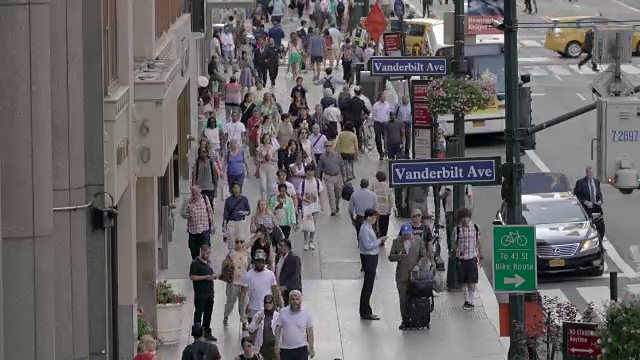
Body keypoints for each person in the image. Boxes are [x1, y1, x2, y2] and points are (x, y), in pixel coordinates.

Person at [388, 223, 428, 330]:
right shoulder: (396, 242)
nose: (407, 236)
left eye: (408, 234)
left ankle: (415, 318)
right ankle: (405, 319)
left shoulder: (418, 241)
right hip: (402, 275)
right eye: (404, 234)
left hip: (415, 275)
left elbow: (424, 255)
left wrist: (418, 266)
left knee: (415, 297)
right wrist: (399, 256)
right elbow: (391, 257)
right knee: (403, 298)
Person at [451, 207, 483, 310]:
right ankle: (466, 300)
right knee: (463, 281)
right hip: (461, 258)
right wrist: (457, 250)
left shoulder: (476, 228)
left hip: (472, 257)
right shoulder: (457, 229)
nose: (465, 220)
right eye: (463, 218)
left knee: (472, 281)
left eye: (467, 217)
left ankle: (471, 300)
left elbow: (478, 242)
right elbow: (454, 242)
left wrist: (480, 255)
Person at [358, 208, 386, 320]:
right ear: (368, 217)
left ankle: (366, 309)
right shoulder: (365, 229)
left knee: (369, 284)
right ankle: (365, 311)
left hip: (372, 257)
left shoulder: (369, 228)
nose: (375, 219)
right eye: (374, 217)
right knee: (368, 285)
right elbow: (368, 245)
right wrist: (379, 241)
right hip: (368, 258)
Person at [241, 250, 283, 321]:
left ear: (264, 262)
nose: (259, 264)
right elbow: (243, 293)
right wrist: (242, 309)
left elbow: (275, 290)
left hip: (267, 307)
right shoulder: (248, 275)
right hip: (253, 308)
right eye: (257, 262)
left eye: (261, 262)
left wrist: (280, 303)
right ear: (254, 262)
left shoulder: (270, 274)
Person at [275, 290, 315, 360]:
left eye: (297, 299)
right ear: (289, 300)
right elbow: (278, 329)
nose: (294, 301)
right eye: (292, 299)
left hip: (301, 348)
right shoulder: (283, 312)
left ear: (300, 300)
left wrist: (311, 348)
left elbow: (310, 330)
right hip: (286, 348)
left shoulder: (306, 313)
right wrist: (276, 345)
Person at [189, 243, 217, 341]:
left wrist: (214, 276)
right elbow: (192, 277)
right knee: (198, 314)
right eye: (206, 253)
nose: (208, 255)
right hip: (200, 294)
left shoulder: (208, 262)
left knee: (208, 314)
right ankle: (197, 333)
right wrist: (205, 277)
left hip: (209, 293)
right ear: (202, 251)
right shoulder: (195, 263)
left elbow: (212, 272)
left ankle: (206, 332)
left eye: (209, 253)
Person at [221, 237, 250, 326]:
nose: (239, 244)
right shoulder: (231, 253)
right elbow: (223, 264)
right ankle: (226, 316)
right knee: (230, 302)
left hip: (244, 283)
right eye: (237, 242)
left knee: (243, 303)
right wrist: (228, 264)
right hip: (233, 282)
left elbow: (249, 267)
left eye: (241, 241)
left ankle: (244, 321)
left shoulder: (247, 253)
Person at [181, 185, 214, 260]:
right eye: (193, 193)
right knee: (194, 251)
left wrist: (212, 225)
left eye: (197, 193)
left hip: (204, 229)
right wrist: (189, 214)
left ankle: (205, 264)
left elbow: (210, 212)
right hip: (193, 230)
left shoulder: (205, 199)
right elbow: (183, 213)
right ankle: (196, 265)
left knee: (206, 250)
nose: (195, 195)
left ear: (200, 191)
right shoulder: (188, 201)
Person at [298, 163, 324, 250]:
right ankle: (305, 241)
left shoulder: (317, 182)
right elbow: (299, 195)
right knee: (306, 225)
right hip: (306, 207)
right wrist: (304, 200)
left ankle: (311, 241)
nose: (309, 172)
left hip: (315, 207)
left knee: (313, 225)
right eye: (308, 170)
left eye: (311, 170)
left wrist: (320, 205)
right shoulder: (302, 183)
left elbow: (320, 194)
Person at [317, 141, 346, 216]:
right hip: (328, 177)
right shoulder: (322, 157)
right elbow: (319, 168)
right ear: (325, 148)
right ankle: (333, 209)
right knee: (331, 194)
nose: (329, 148)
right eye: (327, 146)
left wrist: (344, 176)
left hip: (337, 176)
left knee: (338, 193)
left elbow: (342, 165)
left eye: (330, 146)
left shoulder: (337, 155)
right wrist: (318, 179)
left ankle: (337, 206)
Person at [247, 295, 279, 360]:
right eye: (266, 303)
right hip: (262, 346)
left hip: (274, 347)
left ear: (273, 303)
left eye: (270, 302)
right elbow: (250, 329)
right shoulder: (259, 314)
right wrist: (257, 321)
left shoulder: (278, 316)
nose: (268, 305)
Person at [223, 182, 252, 249]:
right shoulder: (228, 200)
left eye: (237, 188)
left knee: (241, 239)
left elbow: (248, 211)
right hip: (232, 222)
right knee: (232, 241)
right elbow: (226, 212)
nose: (236, 190)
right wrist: (224, 225)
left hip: (241, 222)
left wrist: (243, 213)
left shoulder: (244, 199)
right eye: (234, 188)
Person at [275, 239, 302, 306]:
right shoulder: (278, 257)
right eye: (279, 246)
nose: (279, 248)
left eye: (281, 246)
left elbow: (295, 277)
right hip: (279, 289)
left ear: (287, 247)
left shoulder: (294, 259)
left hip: (289, 291)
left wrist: (285, 287)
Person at [372, 171, 395, 237]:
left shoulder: (374, 185)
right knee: (384, 225)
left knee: (376, 224)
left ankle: (377, 236)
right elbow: (391, 198)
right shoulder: (388, 186)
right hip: (386, 210)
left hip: (376, 209)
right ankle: (383, 237)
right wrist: (392, 208)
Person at [257, 133, 279, 200]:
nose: (266, 140)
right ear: (263, 139)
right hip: (262, 168)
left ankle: (269, 201)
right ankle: (263, 200)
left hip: (270, 168)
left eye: (268, 139)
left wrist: (271, 158)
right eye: (265, 138)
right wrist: (261, 160)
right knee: (263, 186)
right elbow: (257, 158)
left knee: (270, 186)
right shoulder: (260, 147)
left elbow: (276, 159)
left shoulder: (272, 148)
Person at [371, 93, 391, 160]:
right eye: (383, 97)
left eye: (385, 97)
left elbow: (388, 113)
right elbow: (373, 114)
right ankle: (380, 153)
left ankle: (386, 151)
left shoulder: (387, 105)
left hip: (385, 123)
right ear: (380, 98)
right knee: (378, 139)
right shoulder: (376, 105)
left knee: (386, 138)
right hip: (378, 123)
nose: (384, 98)